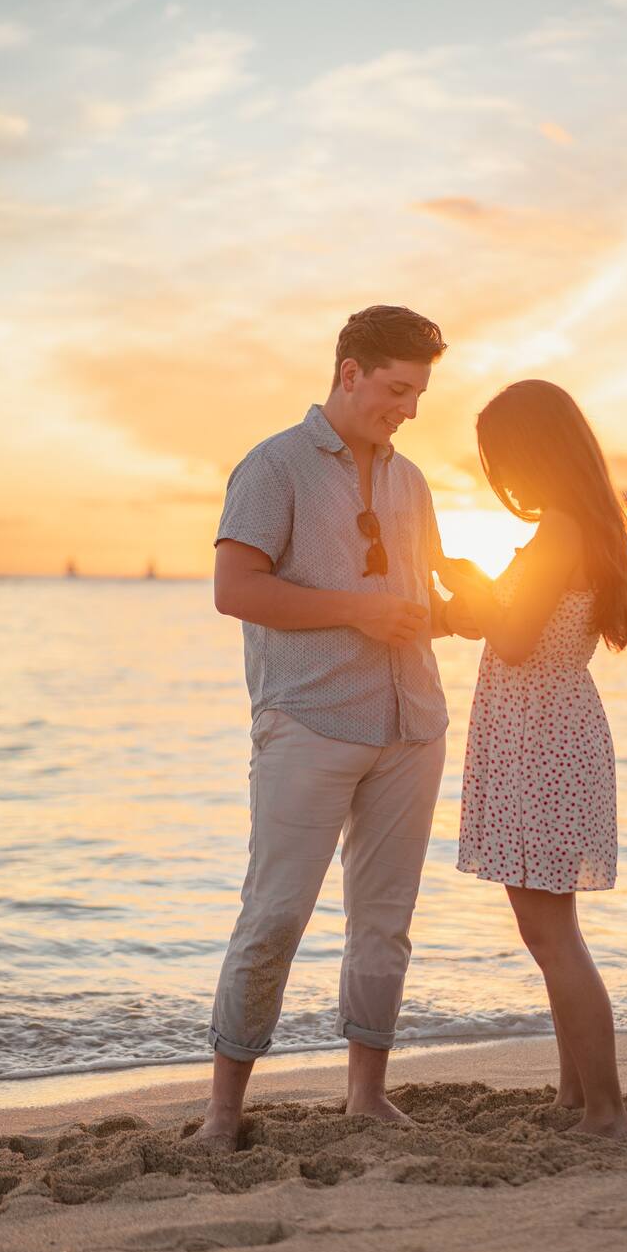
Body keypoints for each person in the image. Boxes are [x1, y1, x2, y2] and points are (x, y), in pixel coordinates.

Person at [198, 305, 477, 1147]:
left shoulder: (413, 479)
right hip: (308, 722)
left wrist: (463, 612)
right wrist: (358, 612)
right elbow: (235, 590)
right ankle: (223, 1112)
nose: (411, 408)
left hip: (412, 722)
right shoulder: (272, 467)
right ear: (348, 373)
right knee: (275, 915)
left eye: (421, 392)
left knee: (384, 920)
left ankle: (365, 1093)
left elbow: (413, 604)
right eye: (398, 388)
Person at [439, 379, 627, 1139]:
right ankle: (572, 1098)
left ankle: (606, 1112)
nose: (504, 479)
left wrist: (467, 595)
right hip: (550, 733)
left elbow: (518, 635)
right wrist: (479, 596)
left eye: (505, 460)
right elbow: (520, 619)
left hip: (544, 741)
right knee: (554, 931)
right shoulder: (576, 525)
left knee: (551, 935)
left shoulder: (559, 528)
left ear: (536, 453)